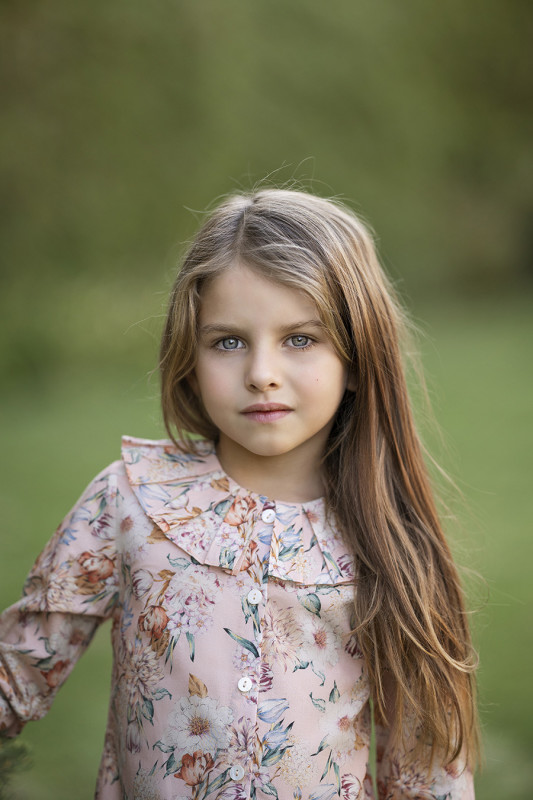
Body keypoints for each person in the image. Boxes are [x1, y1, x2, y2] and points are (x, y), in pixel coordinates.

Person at [0, 188, 479, 799]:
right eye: (228, 341)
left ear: (357, 358)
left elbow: (425, 771)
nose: (261, 371)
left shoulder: (388, 540)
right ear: (189, 357)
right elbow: (16, 676)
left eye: (300, 339)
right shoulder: (130, 502)